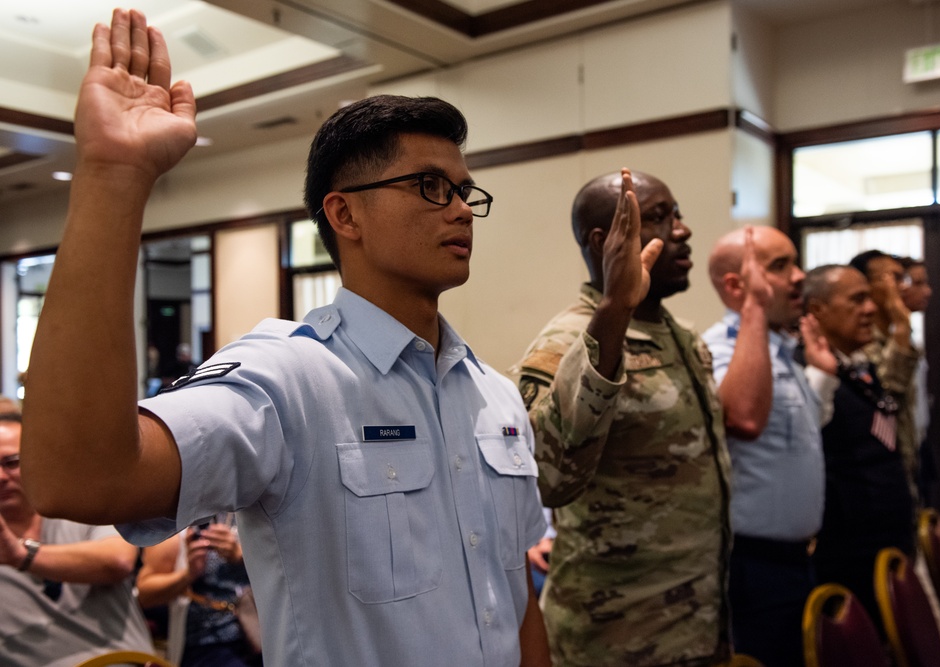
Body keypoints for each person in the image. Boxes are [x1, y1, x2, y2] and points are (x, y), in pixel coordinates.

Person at [19, 9, 549, 666]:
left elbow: (514, 595)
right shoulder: (287, 378)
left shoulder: (492, 397)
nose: (461, 209)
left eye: (466, 191)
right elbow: (81, 480)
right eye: (429, 186)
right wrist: (112, 176)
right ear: (344, 212)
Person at [512, 169, 732, 666]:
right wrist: (614, 308)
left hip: (696, 624)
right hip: (614, 637)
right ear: (603, 241)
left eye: (677, 214)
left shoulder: (682, 336)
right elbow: (544, 478)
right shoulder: (566, 340)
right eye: (658, 217)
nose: (682, 230)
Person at [703, 226, 837, 667]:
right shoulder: (721, 349)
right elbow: (742, 416)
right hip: (752, 565)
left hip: (795, 559)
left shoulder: (779, 350)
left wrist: (824, 374)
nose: (800, 277)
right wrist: (755, 308)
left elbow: (799, 431)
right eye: (780, 267)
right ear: (736, 285)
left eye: (795, 262)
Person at [803, 265, 915, 631]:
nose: (870, 309)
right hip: (848, 552)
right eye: (857, 299)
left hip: (888, 536)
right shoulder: (809, 374)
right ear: (818, 310)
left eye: (869, 297)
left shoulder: (859, 365)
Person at [0, 412, 154, 666]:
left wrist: (20, 556)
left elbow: (117, 560)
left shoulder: (80, 506)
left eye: (12, 462)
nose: (2, 477)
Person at [137, 515, 261, 667]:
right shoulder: (177, 526)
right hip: (206, 642)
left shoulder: (253, 512)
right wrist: (188, 574)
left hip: (262, 635)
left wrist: (241, 556)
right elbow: (144, 596)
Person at [848, 250, 920, 503]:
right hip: (873, 481)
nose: (902, 287)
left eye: (903, 279)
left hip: (903, 465)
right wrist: (902, 322)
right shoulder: (857, 342)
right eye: (893, 278)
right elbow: (888, 392)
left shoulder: (890, 338)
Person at [899, 257, 935, 502]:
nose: (927, 291)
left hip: (919, 439)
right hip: (902, 449)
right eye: (918, 283)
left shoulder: (910, 334)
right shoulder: (892, 342)